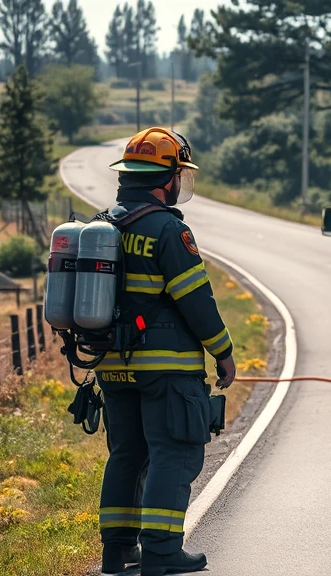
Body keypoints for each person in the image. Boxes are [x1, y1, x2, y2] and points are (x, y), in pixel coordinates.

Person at [96, 127, 237, 575]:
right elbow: (196, 301)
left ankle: (117, 551)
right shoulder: (168, 230)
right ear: (167, 177)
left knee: (128, 454)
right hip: (166, 369)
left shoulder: (103, 224)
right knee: (173, 452)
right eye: (180, 173)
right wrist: (224, 352)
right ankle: (161, 551)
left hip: (112, 365)